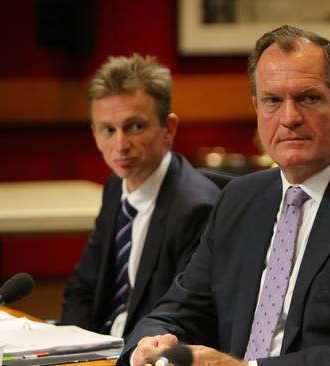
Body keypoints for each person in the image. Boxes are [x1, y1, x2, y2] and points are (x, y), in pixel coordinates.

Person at [119, 25, 330, 366]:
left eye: (308, 98)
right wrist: (149, 346)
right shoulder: (240, 197)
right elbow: (178, 309)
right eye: (273, 101)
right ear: (256, 108)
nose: (289, 118)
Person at [61, 54, 220, 338]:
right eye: (108, 130)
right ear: (95, 135)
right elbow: (82, 289)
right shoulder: (115, 187)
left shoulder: (195, 208)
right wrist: (76, 349)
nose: (120, 145)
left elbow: (182, 316)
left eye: (135, 127)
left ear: (168, 129)